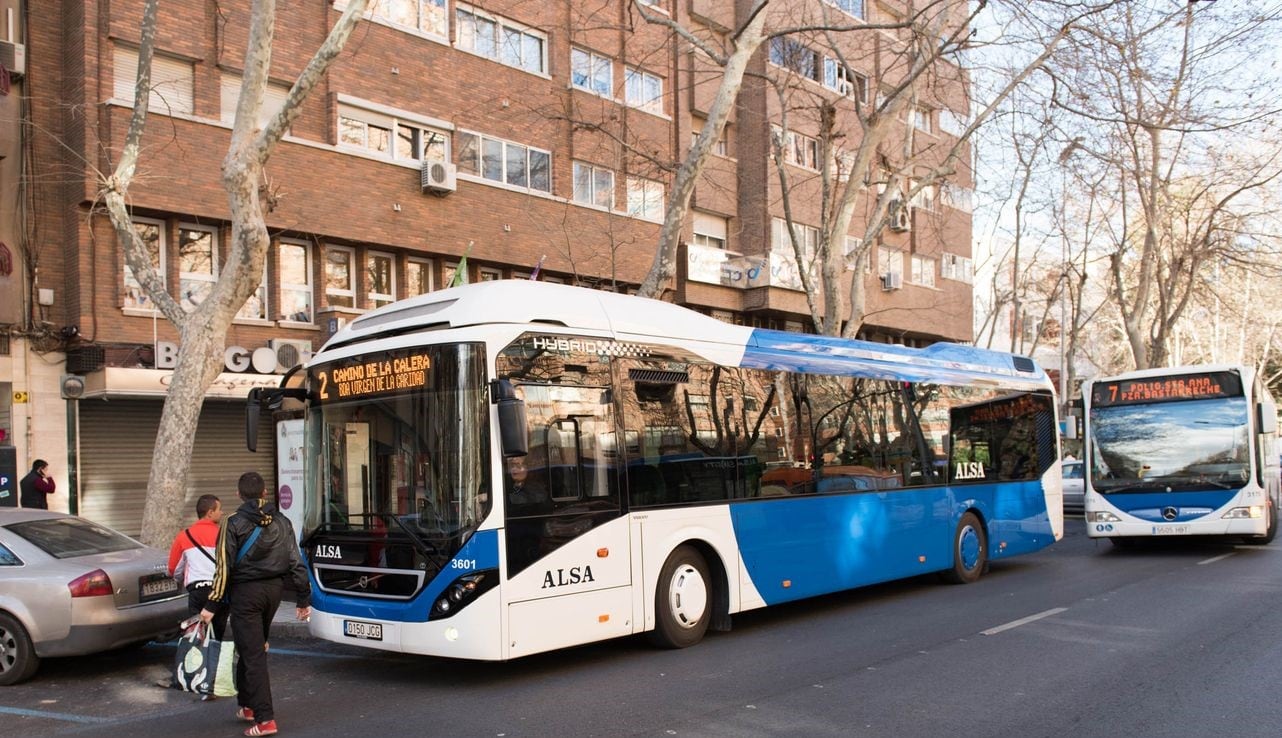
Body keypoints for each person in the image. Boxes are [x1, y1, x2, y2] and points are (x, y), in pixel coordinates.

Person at [200, 472, 311, 738]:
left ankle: (265, 719)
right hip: (273, 592)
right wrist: (303, 598)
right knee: (253, 646)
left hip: (245, 594)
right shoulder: (283, 521)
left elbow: (223, 567)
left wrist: (211, 605)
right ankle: (248, 706)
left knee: (253, 655)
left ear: (239, 495)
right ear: (264, 493)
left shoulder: (232, 522)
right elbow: (296, 561)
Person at [167, 495, 229, 639]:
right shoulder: (225, 534)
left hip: (197, 591)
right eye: (219, 509)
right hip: (220, 592)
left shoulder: (184, 536)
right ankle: (214, 658)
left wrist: (180, 580)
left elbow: (173, 569)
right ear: (210, 512)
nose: (222, 512)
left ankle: (198, 659)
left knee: (196, 635)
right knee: (217, 635)